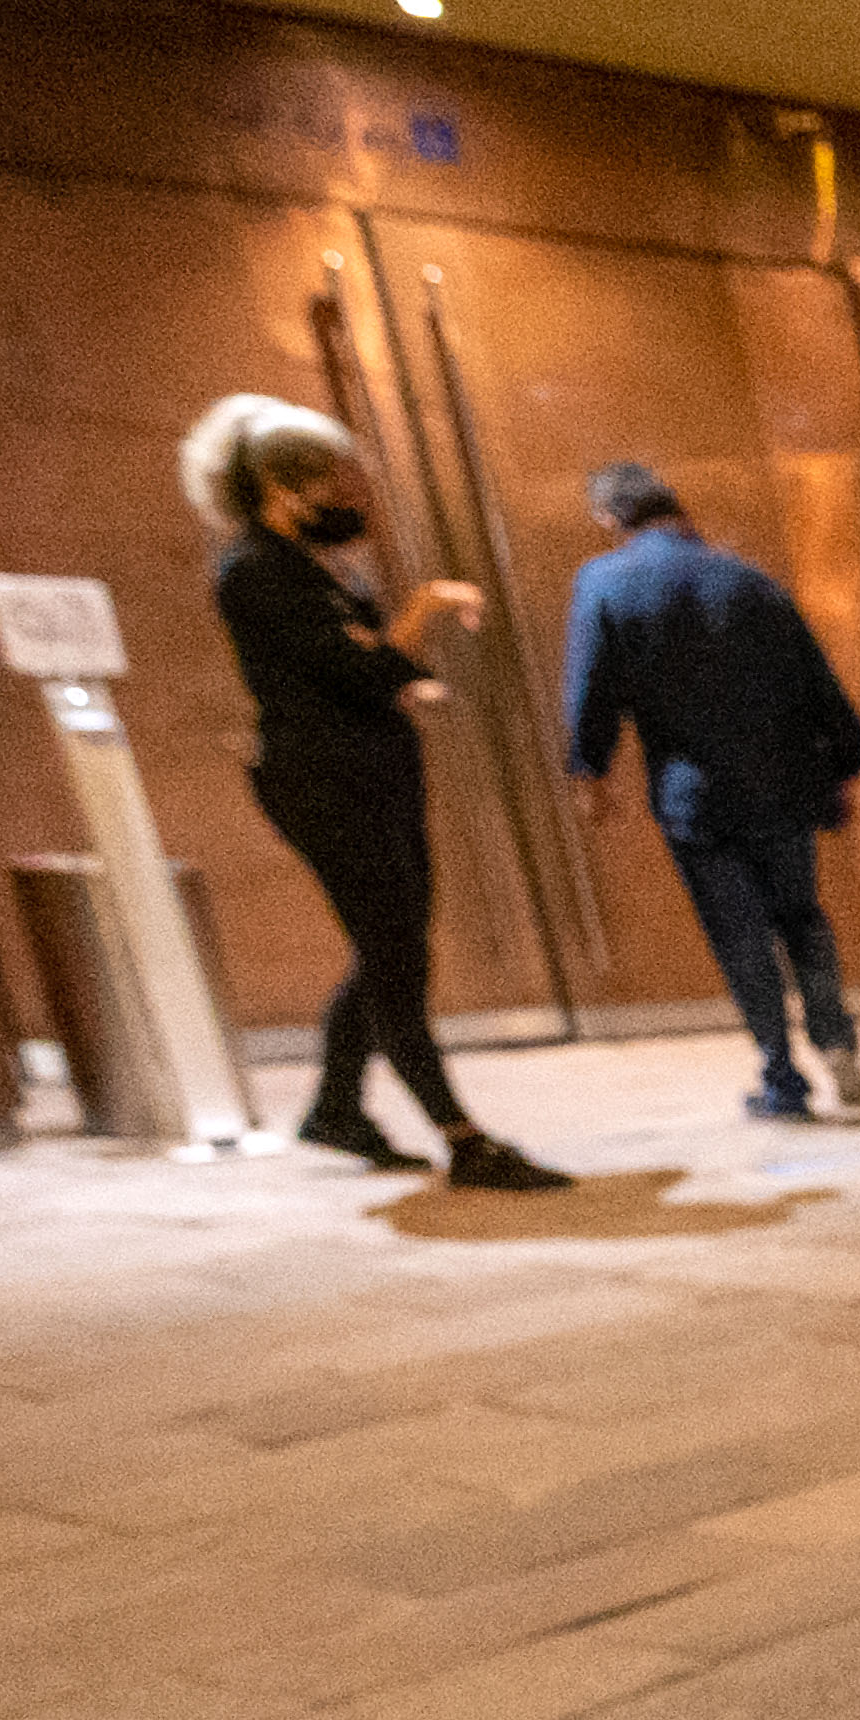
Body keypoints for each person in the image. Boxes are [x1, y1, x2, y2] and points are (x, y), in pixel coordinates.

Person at [175, 395, 568, 1194]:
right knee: (394, 953)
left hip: (372, 772)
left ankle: (336, 1110)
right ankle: (462, 1138)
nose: (350, 494)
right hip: (324, 784)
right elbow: (361, 670)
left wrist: (405, 680)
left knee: (391, 945)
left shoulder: (316, 567)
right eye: (332, 479)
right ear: (282, 487)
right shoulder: (254, 570)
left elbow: (365, 669)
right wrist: (420, 613)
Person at [557, 462, 860, 1120]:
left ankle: (782, 1077)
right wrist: (845, 761)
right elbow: (813, 676)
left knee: (739, 935)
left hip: (695, 796)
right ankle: (836, 1039)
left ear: (609, 519)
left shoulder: (605, 583)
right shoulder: (747, 578)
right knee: (801, 916)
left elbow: (593, 689)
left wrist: (590, 771)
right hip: (783, 782)